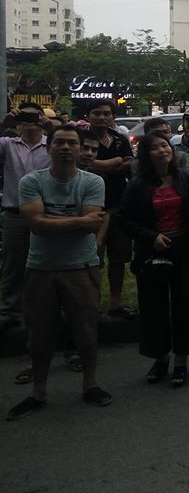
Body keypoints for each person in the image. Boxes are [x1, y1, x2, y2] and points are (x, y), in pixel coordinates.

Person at [7, 126, 111, 421]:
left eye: (72, 143)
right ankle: (38, 392)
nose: (66, 148)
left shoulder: (93, 181)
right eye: (60, 143)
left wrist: (50, 220)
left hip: (82, 266)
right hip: (40, 267)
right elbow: (35, 224)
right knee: (39, 334)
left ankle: (90, 384)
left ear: (79, 149)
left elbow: (92, 223)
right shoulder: (31, 181)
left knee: (86, 331)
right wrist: (77, 221)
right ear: (49, 147)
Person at [118, 133, 189, 388]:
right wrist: (151, 237)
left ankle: (181, 360)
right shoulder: (138, 184)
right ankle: (160, 357)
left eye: (165, 146)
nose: (162, 151)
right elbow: (124, 218)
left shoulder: (186, 177)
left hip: (183, 248)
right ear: (146, 155)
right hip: (152, 251)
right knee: (153, 307)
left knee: (186, 304)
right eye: (155, 148)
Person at [0, 106, 50, 329]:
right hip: (15, 213)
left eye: (34, 116)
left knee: (48, 262)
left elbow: (72, 153)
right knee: (13, 264)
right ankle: (11, 309)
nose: (29, 121)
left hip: (47, 212)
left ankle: (44, 307)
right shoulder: (7, 144)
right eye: (24, 116)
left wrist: (51, 128)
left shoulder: (51, 144)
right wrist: (4, 124)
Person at [86, 100, 136, 320]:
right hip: (89, 208)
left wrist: (102, 166)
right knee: (92, 259)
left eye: (107, 113)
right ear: (88, 116)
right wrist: (115, 161)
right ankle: (91, 303)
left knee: (118, 258)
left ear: (113, 117)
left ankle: (115, 302)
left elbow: (130, 164)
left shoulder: (119, 139)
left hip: (118, 206)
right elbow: (87, 165)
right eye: (97, 113)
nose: (102, 117)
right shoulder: (82, 139)